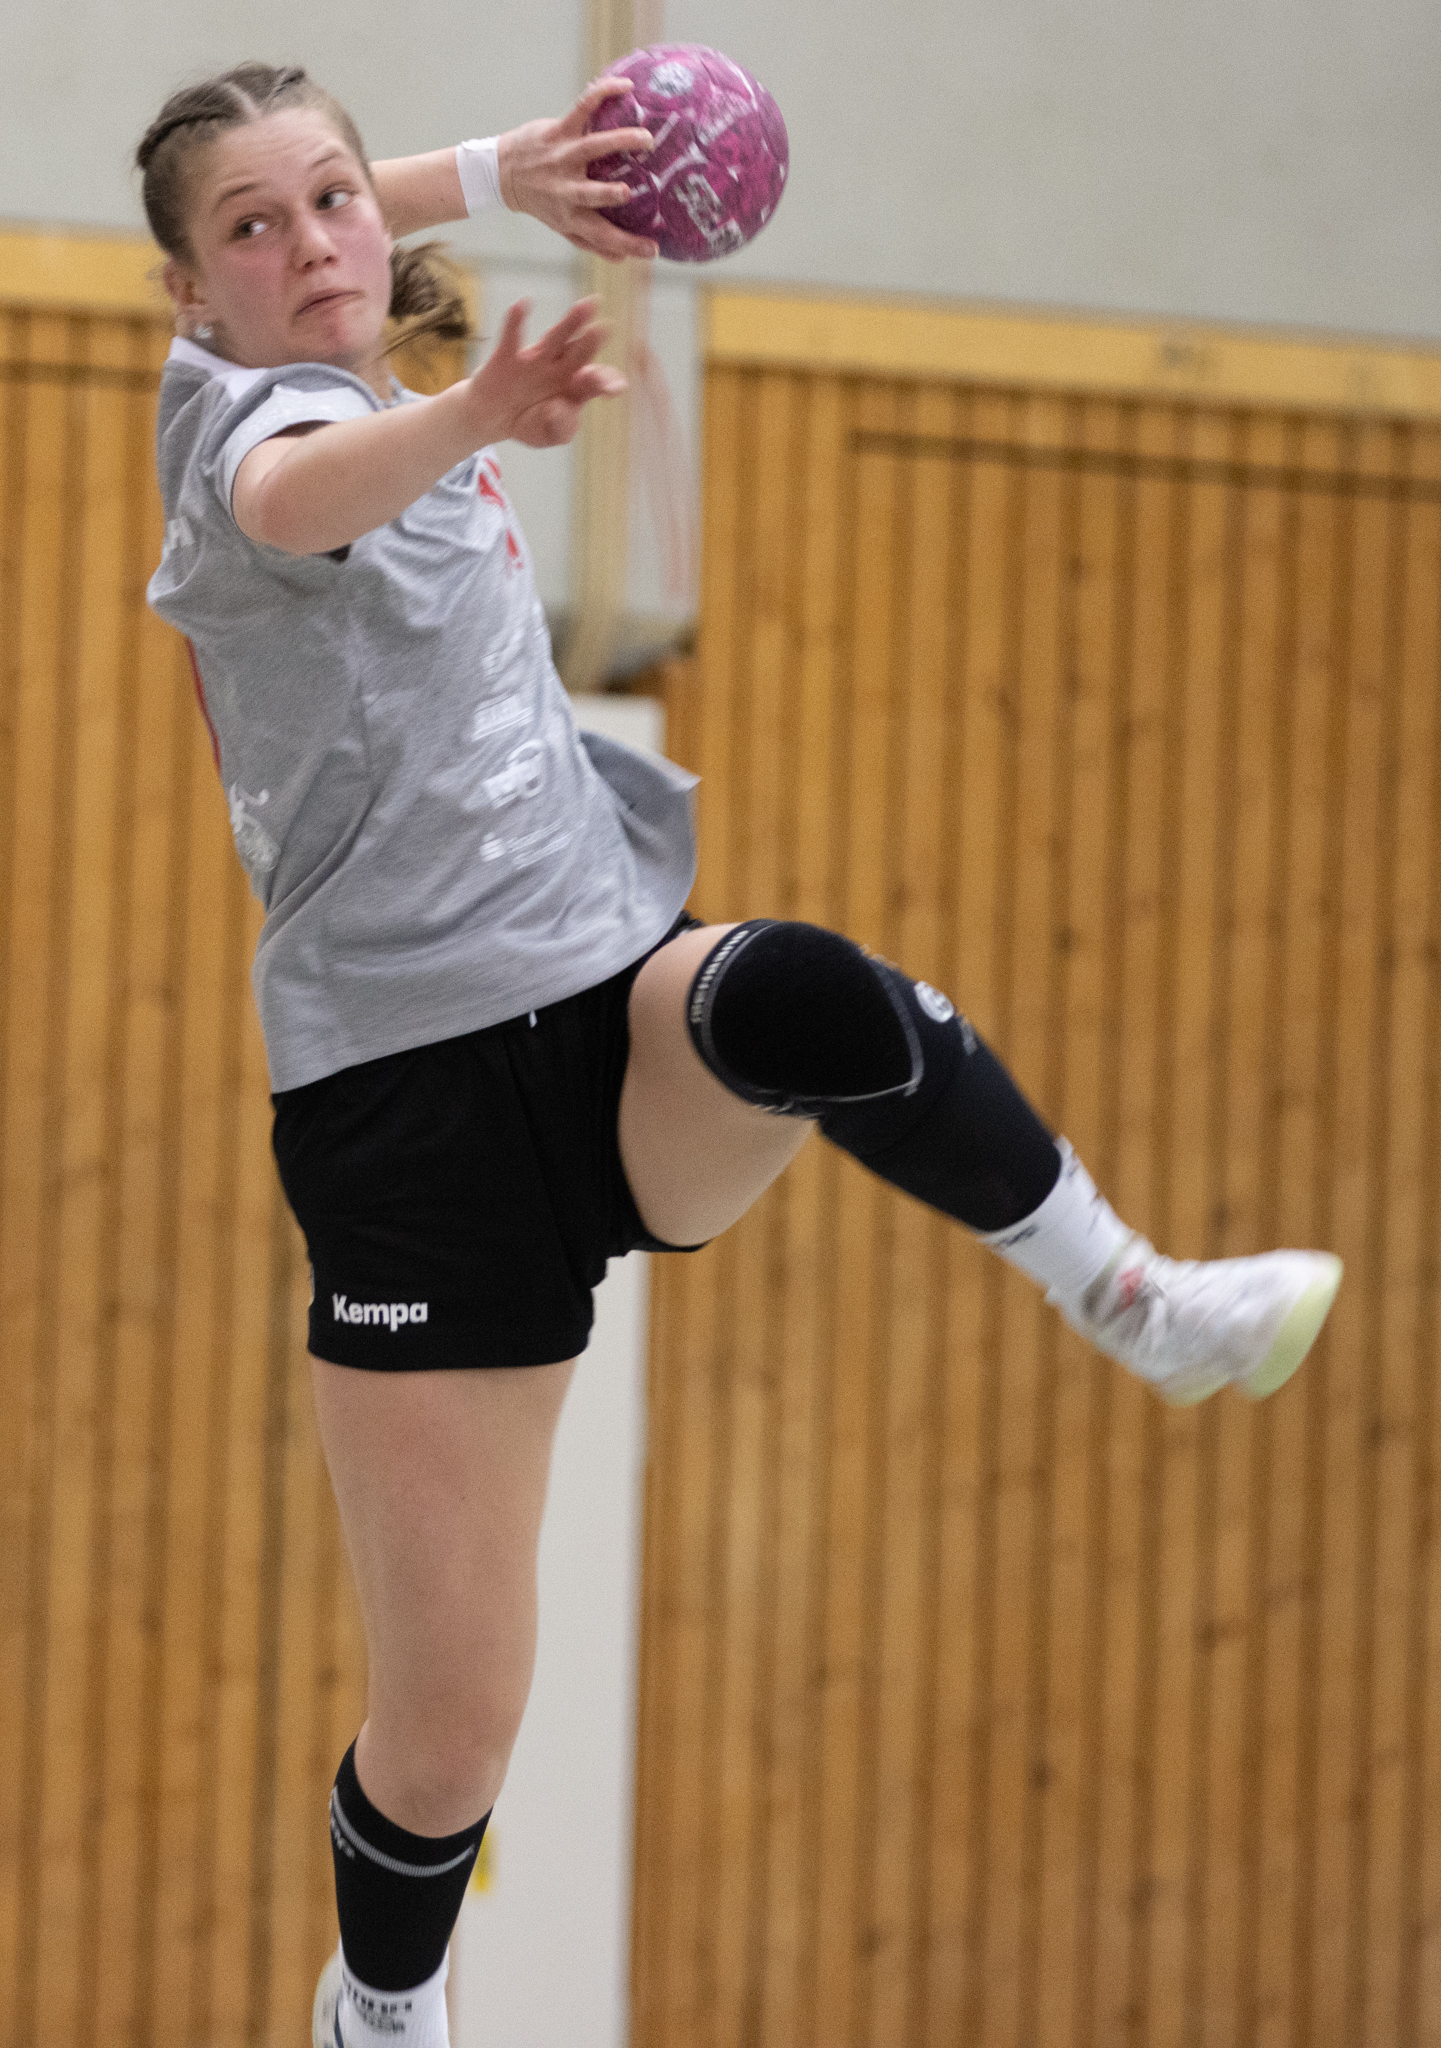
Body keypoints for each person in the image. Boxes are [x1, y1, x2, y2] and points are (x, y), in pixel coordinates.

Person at [136, 61, 1342, 2048]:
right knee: (451, 1730)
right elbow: (299, 498)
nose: (312, 244)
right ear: (191, 293)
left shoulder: (346, 307)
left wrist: (503, 168)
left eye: (336, 200)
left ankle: (1134, 1298)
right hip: (402, 1111)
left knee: (803, 1001)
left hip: (593, 999)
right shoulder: (241, 438)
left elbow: (337, 213)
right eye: (248, 232)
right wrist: (478, 411)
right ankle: (380, 2010)